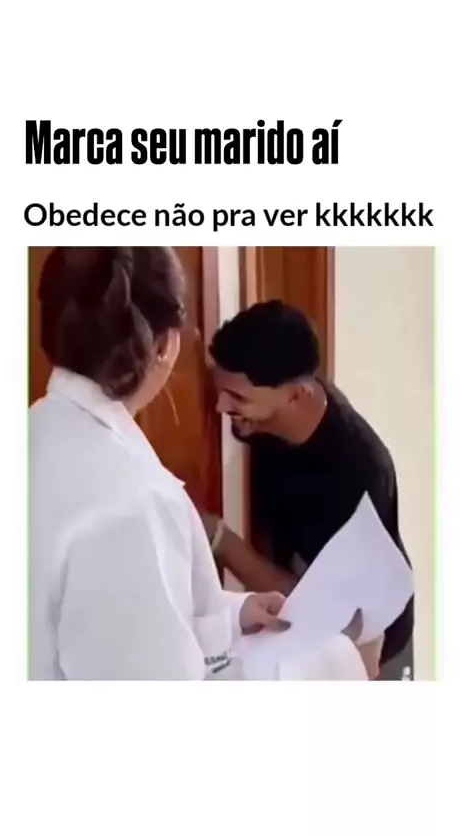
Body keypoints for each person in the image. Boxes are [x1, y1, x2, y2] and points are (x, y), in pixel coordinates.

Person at [29, 248, 367, 681]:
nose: (223, 408)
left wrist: (234, 613)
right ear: (165, 346)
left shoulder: (35, 435)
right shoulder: (134, 504)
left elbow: (139, 611)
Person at [209, 301, 414, 681]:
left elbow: (319, 609)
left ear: (296, 396)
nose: (221, 406)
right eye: (220, 389)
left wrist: (221, 540)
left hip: (370, 645)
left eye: (238, 398)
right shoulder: (267, 417)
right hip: (313, 615)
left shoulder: (358, 473)